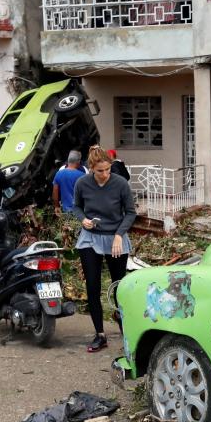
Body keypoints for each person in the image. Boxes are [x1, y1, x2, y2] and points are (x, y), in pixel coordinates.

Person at [72, 146, 136, 353]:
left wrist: (119, 234)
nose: (105, 174)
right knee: (93, 286)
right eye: (100, 171)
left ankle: (125, 329)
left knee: (119, 287)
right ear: (91, 168)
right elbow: (76, 206)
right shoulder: (82, 183)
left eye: (108, 169)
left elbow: (130, 213)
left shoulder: (120, 184)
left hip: (115, 238)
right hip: (90, 239)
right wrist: (83, 220)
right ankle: (100, 334)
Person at [53, 150, 86, 215]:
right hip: (80, 211)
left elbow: (55, 192)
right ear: (78, 162)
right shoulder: (82, 175)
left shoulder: (59, 174)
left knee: (68, 225)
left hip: (66, 211)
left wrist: (56, 206)